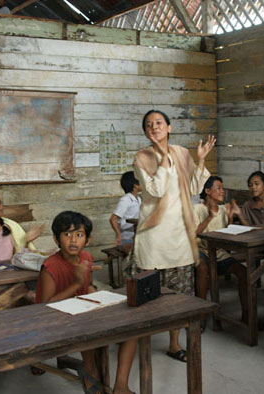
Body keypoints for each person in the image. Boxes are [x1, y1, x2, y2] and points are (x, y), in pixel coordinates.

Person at [133, 109, 215, 362]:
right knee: (148, 296)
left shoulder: (181, 153)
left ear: (169, 127)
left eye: (159, 123)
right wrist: (162, 158)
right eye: (149, 125)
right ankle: (141, 341)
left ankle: (174, 344)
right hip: (153, 238)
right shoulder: (141, 157)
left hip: (179, 237)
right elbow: (156, 189)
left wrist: (200, 161)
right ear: (146, 132)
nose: (154, 127)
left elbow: (194, 188)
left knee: (179, 295)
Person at [36, 211, 137, 394]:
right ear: (56, 239)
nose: (73, 240)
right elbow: (44, 308)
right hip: (57, 319)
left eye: (79, 235)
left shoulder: (86, 258)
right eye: (67, 235)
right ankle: (90, 371)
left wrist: (92, 291)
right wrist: (76, 283)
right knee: (88, 336)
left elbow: (87, 287)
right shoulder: (50, 267)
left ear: (88, 240)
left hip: (83, 311)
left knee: (134, 329)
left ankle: (121, 385)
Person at [193, 176, 248, 322]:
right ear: (208, 191)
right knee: (203, 269)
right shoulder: (198, 208)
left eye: (222, 188)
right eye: (219, 188)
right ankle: (201, 314)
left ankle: (246, 315)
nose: (222, 191)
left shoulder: (223, 209)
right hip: (201, 250)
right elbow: (194, 234)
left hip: (218, 252)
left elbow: (226, 234)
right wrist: (209, 217)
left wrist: (230, 217)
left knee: (243, 272)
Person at [109, 171, 141, 254]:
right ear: (135, 185)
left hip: (135, 236)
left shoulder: (138, 199)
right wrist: (119, 235)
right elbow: (113, 219)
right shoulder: (126, 200)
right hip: (126, 238)